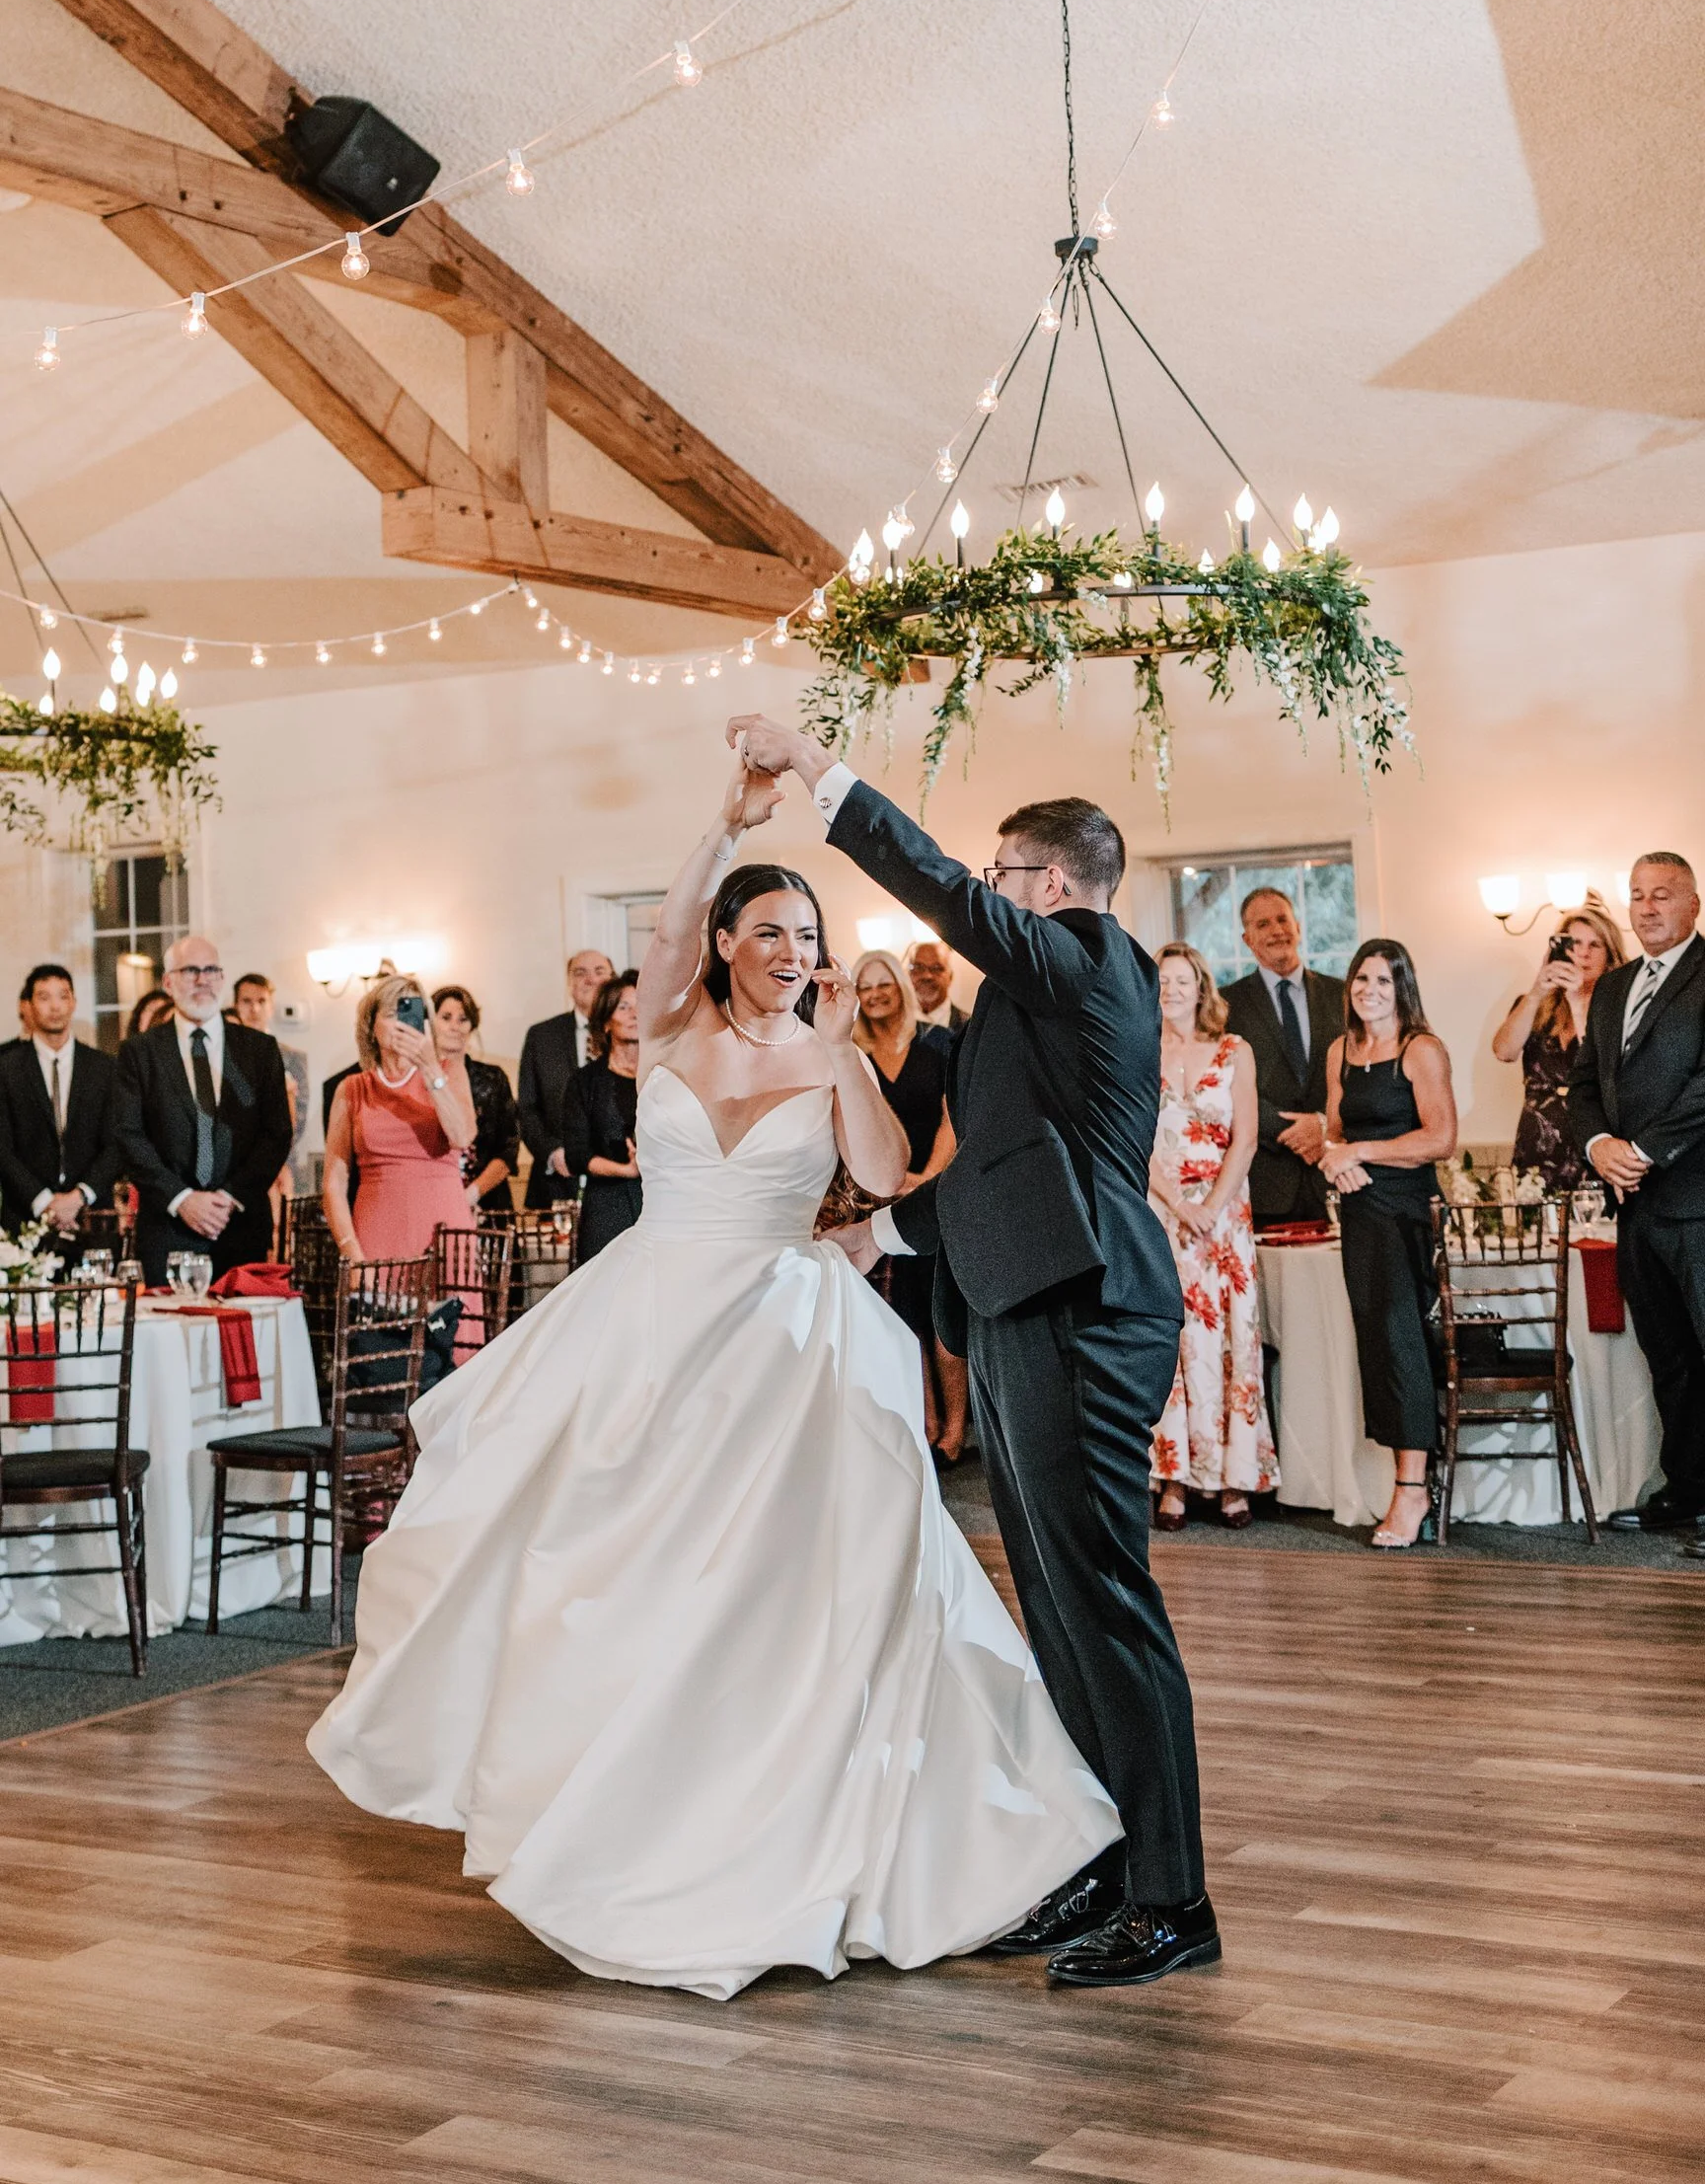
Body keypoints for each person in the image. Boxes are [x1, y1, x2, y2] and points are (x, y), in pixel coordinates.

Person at [309, 750, 1117, 1999]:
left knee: (788, 1591)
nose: (794, 951)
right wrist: (718, 825)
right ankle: (629, 1816)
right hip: (650, 1319)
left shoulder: (827, 1043)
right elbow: (671, 927)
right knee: (621, 1570)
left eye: (809, 933)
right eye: (773, 931)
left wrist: (845, 1052)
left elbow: (892, 1172)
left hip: (787, 1330)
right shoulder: (671, 1027)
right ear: (729, 942)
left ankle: (792, 1820)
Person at [732, 713, 1214, 1997]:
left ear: (1048, 887)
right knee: (1054, 1602)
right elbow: (1000, 1172)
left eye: (1004, 878)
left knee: (1105, 1598)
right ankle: (1111, 1860)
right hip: (1019, 1302)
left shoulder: (1082, 957)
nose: (987, 898)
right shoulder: (1034, 1005)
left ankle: (1175, 1898)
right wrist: (884, 1230)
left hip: (1087, 1308)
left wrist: (817, 776)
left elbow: (940, 886)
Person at [1567, 853, 1705, 1538]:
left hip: (1696, 1202)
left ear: (1693, 905)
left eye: (1663, 895)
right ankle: (1688, 1489)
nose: (1647, 907)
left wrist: (1644, 1151)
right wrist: (1601, 1148)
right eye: (1637, 896)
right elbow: (1585, 1085)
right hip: (1635, 1208)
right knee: (1670, 1359)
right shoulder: (1615, 987)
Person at [1321, 940, 1457, 1551]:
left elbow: (1441, 1137)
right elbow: (1333, 1130)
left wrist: (1362, 1153)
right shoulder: (1341, 1051)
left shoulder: (1420, 1049)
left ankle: (1412, 1488)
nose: (1368, 989)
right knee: (1376, 1340)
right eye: (1360, 978)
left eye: (1382, 980)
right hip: (1358, 1212)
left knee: (1403, 1339)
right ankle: (1405, 1479)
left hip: (1407, 1213)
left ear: (1402, 987)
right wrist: (1336, 1159)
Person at [1148, 942, 1277, 1532]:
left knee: (1228, 1343)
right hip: (1160, 1212)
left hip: (1223, 1218)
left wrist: (1210, 1207)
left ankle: (1233, 1478)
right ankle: (1171, 1477)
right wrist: (1178, 1204)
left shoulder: (1234, 1051)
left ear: (1201, 988)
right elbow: (1132, 1140)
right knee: (1170, 1346)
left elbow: (1246, 1138)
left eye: (1182, 980)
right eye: (1162, 981)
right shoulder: (1137, 1051)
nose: (1171, 990)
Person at [113, 936, 293, 1285]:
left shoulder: (258, 1050)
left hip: (238, 1223)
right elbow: (127, 1135)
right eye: (191, 970)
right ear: (168, 982)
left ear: (222, 979)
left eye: (211, 970)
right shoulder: (140, 1052)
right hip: (168, 1228)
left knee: (239, 1335)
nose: (202, 980)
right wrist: (182, 1199)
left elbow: (276, 1133)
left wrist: (229, 1196)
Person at [852, 948, 967, 1459]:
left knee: (943, 1319)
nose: (874, 993)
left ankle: (957, 1428)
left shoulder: (937, 1042)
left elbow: (952, 1117)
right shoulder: (854, 1052)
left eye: (883, 983)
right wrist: (882, 1185)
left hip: (936, 1193)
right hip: (877, 1201)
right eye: (863, 986)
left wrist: (927, 1180)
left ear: (899, 985)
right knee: (901, 1319)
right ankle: (927, 1423)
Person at [323, 973, 477, 1263]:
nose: (403, 1025)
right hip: (377, 1234)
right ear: (371, 1026)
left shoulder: (450, 1071)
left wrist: (430, 1068)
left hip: (442, 1229)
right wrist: (351, 1252)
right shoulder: (352, 1088)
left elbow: (462, 1136)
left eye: (412, 1014)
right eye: (393, 1014)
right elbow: (334, 1180)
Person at [1220, 887, 1345, 1228]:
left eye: (1282, 920)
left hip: (1337, 1177)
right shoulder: (1224, 1005)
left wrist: (1323, 1126)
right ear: (1247, 939)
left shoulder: (1344, 995)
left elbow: (1357, 1076)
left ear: (1298, 927)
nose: (1276, 930)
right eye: (1263, 924)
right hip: (1266, 1183)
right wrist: (1295, 1130)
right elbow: (1224, 1084)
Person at [1492, 904, 1626, 1191]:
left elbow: (1605, 1070)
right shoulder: (1537, 1006)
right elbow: (1504, 1051)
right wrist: (1538, 989)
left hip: (1593, 1141)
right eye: (1575, 943)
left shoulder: (1618, 1009)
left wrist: (1578, 1002)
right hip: (1537, 1143)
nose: (1583, 953)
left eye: (1595, 945)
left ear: (1609, 956)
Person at [0, 964, 118, 1240]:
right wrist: (44, 1202)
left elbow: (117, 1144)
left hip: (91, 1216)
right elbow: (3, 1149)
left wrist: (79, 1197)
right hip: (26, 1220)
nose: (55, 1006)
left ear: (74, 1003)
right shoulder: (7, 1069)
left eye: (63, 996)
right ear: (28, 1006)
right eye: (44, 997)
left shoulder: (105, 1067)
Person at [517, 948, 615, 1207]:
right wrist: (552, 1153)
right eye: (580, 973)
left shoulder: (633, 1034)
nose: (590, 980)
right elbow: (527, 1109)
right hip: (556, 1186)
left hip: (619, 1183)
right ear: (570, 984)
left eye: (599, 972)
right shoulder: (541, 1037)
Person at [562, 968, 642, 1261]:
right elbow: (576, 1155)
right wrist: (627, 1170)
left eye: (640, 1005)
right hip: (608, 1205)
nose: (635, 1014)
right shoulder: (585, 1082)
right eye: (624, 1007)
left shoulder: (665, 1075)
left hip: (663, 1201)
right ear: (606, 1021)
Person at [431, 986, 519, 1214]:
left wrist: (471, 1195)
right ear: (431, 1023)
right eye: (446, 1017)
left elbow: (508, 1149)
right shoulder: (418, 1079)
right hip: (432, 1197)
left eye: (463, 1019)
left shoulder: (493, 1079)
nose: (455, 1026)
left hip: (488, 1201)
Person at [230, 971, 307, 1226]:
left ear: (271, 1006)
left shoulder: (292, 1057)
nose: (254, 1009)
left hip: (280, 1164)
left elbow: (299, 1120)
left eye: (261, 1001)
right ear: (235, 1005)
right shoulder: (224, 1055)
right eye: (247, 1001)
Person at [906, 937, 966, 1034]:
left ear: (950, 977)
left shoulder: (970, 1027)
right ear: (909, 974)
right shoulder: (891, 1024)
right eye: (919, 967)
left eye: (937, 968)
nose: (927, 976)